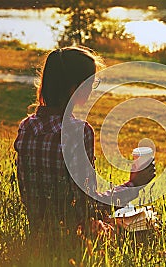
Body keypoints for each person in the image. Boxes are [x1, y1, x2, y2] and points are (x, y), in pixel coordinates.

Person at [14, 46, 156, 237]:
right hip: (78, 237)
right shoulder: (77, 132)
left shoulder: (27, 128)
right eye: (91, 81)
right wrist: (134, 184)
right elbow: (89, 208)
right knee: (146, 223)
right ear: (75, 88)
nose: (92, 87)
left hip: (40, 233)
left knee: (130, 215)